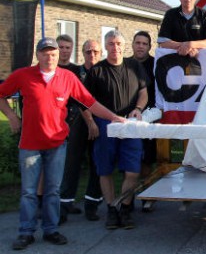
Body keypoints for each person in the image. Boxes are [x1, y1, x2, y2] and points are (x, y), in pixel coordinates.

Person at [0, 38, 125, 251]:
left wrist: (114, 117)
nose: (49, 57)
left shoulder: (67, 77)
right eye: (45, 53)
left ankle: (50, 229)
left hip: (57, 144)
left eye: (53, 53)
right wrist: (11, 116)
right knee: (29, 192)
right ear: (38, 55)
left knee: (53, 190)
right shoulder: (23, 75)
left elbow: (90, 102)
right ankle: (25, 232)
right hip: (30, 144)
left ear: (59, 55)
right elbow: (2, 94)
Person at [83, 30, 148, 230]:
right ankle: (112, 209)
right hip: (105, 125)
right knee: (105, 169)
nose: (115, 47)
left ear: (123, 45)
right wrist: (91, 123)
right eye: (111, 44)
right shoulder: (96, 71)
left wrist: (138, 109)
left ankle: (125, 208)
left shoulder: (135, 66)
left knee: (132, 171)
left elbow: (144, 93)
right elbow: (85, 102)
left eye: (118, 43)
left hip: (129, 125)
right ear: (106, 46)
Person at [59, 39, 104, 224]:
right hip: (78, 121)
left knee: (97, 164)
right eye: (87, 52)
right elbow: (78, 100)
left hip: (99, 122)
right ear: (82, 53)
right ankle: (64, 206)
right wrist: (89, 121)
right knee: (72, 164)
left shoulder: (104, 71)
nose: (91, 55)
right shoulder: (75, 72)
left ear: (100, 53)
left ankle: (91, 205)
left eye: (95, 51)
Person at [129, 31, 157, 211]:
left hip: (150, 117)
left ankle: (147, 196)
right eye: (137, 43)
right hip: (129, 118)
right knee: (130, 160)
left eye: (144, 43)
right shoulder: (125, 64)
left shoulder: (156, 65)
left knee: (147, 159)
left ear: (149, 46)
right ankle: (128, 198)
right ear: (132, 44)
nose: (140, 46)